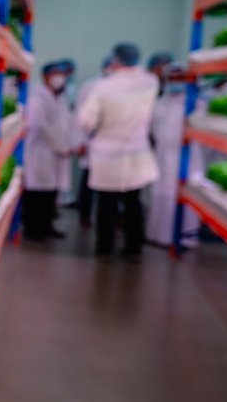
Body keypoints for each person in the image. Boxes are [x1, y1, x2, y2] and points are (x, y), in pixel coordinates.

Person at [78, 43, 160, 261]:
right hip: (137, 153)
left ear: (114, 61)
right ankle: (134, 248)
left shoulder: (103, 87)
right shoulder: (150, 82)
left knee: (107, 205)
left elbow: (86, 121)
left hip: (108, 153)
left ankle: (105, 249)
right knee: (133, 203)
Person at [146, 64, 203, 247]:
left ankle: (184, 239)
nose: (175, 83)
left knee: (182, 196)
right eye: (172, 79)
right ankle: (158, 236)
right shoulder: (159, 104)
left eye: (180, 79)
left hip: (187, 157)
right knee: (160, 195)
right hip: (162, 156)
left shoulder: (196, 104)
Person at [23, 60, 76, 241]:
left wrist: (69, 145)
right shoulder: (36, 96)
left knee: (50, 194)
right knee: (37, 194)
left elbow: (67, 122)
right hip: (40, 152)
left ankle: (47, 227)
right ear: (45, 76)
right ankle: (33, 230)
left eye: (62, 75)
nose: (60, 78)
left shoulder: (60, 97)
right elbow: (40, 125)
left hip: (56, 153)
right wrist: (61, 147)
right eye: (56, 74)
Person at [73, 56, 113, 226]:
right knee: (88, 180)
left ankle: (111, 218)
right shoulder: (90, 86)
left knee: (111, 186)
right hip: (91, 140)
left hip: (113, 143)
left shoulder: (120, 88)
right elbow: (80, 115)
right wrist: (81, 141)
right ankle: (85, 215)